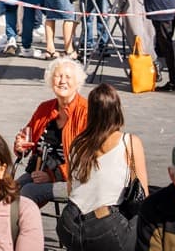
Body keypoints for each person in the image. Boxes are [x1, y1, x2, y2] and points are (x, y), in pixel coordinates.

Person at [56, 84, 148, 251]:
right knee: (141, 215)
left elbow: (71, 188)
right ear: (117, 110)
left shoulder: (77, 143)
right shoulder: (130, 142)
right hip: (105, 225)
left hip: (69, 223)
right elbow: (143, 195)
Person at [14, 58, 89, 206]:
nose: (62, 81)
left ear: (77, 82)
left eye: (68, 77)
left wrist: (51, 176)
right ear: (51, 80)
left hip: (75, 179)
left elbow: (87, 159)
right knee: (9, 191)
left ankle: (26, 228)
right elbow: (27, 139)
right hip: (39, 171)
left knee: (28, 193)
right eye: (58, 76)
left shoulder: (86, 113)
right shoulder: (44, 108)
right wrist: (20, 146)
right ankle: (8, 229)